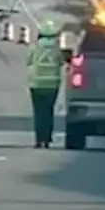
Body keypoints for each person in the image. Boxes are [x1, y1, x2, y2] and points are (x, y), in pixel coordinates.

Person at [26, 20, 65, 148]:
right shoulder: (56, 49)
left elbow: (28, 61)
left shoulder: (34, 47)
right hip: (52, 84)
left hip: (36, 83)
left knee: (38, 112)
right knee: (49, 112)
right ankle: (47, 139)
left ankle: (39, 139)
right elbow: (61, 62)